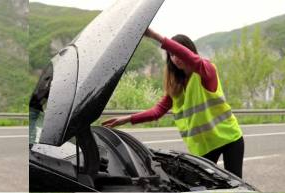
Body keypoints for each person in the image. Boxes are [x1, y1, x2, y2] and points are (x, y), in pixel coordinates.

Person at [102, 28, 245, 178]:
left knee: (235, 187)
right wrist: (127, 119)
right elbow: (157, 111)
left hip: (229, 139)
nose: (175, 58)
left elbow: (190, 57)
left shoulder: (206, 70)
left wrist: (154, 36)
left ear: (189, 53)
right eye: (171, 55)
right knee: (204, 187)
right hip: (204, 147)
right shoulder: (176, 86)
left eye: (178, 53)